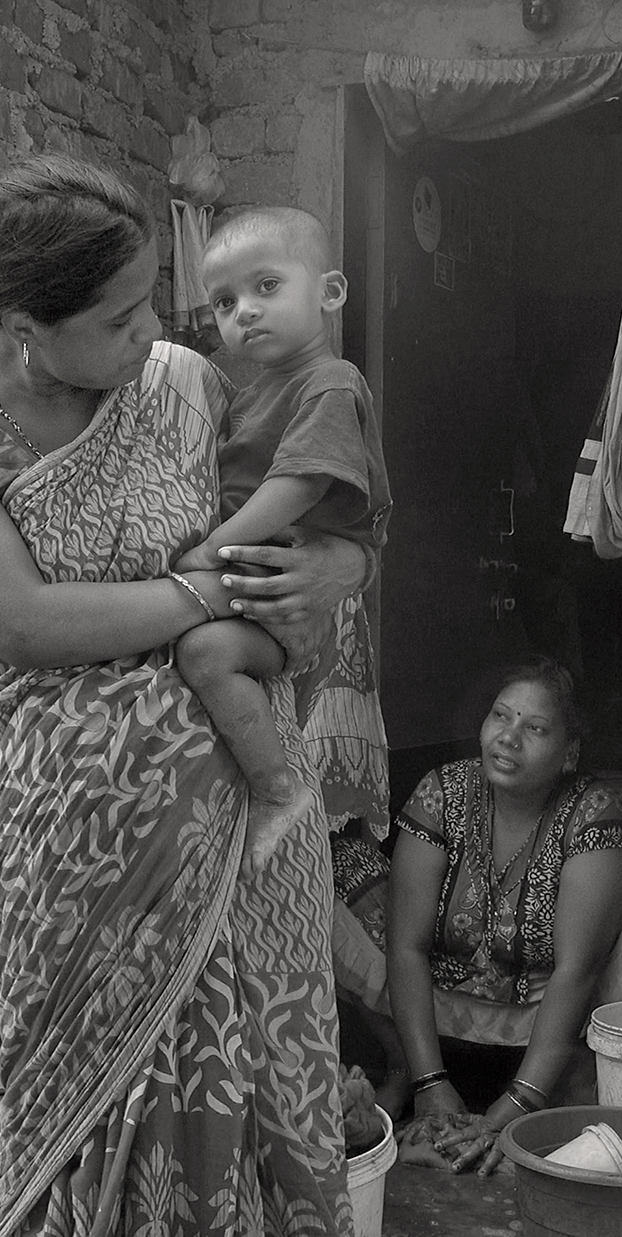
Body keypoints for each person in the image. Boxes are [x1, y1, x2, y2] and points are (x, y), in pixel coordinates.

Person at [0, 155, 373, 1236]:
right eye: (117, 316)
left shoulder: (185, 385)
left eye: (152, 296)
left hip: (255, 826)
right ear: (17, 322)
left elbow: (299, 521)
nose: (152, 328)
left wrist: (339, 571)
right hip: (78, 854)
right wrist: (197, 590)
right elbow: (21, 621)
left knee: (261, 1096)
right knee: (84, 1119)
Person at [330, 657, 622, 1175]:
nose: (509, 738)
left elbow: (577, 970)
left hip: (548, 1007)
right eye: (501, 716)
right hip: (438, 998)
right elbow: (405, 946)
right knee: (337, 866)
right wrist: (431, 1085)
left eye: (535, 728)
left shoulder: (592, 812)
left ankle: (567, 1082)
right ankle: (405, 1063)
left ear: (569, 754)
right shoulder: (443, 793)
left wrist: (511, 1110)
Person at [172, 206, 391, 868]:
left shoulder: (330, 381)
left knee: (206, 653)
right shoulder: (248, 394)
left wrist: (214, 546)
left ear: (329, 293)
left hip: (284, 598)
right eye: (225, 301)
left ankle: (277, 791)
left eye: (267, 286)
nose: (245, 311)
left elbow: (300, 484)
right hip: (255, 584)